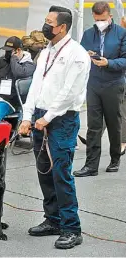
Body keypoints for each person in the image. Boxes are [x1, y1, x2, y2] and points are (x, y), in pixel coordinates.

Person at [18, 5, 90, 249]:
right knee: (45, 172)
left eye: (50, 22)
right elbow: (35, 86)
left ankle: (72, 228)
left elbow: (69, 94)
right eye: (45, 20)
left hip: (62, 120)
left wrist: (47, 117)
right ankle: (53, 220)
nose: (45, 26)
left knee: (61, 174)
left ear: (62, 27)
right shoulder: (46, 52)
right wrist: (27, 116)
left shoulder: (77, 55)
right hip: (40, 116)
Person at [74, 1, 126, 177]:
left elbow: (125, 60)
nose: (99, 22)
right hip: (94, 83)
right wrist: (86, 56)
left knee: (114, 123)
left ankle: (115, 158)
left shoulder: (121, 33)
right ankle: (91, 165)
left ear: (110, 16)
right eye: (97, 19)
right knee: (93, 125)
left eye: (102, 19)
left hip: (114, 83)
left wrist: (108, 63)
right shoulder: (88, 34)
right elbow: (79, 57)